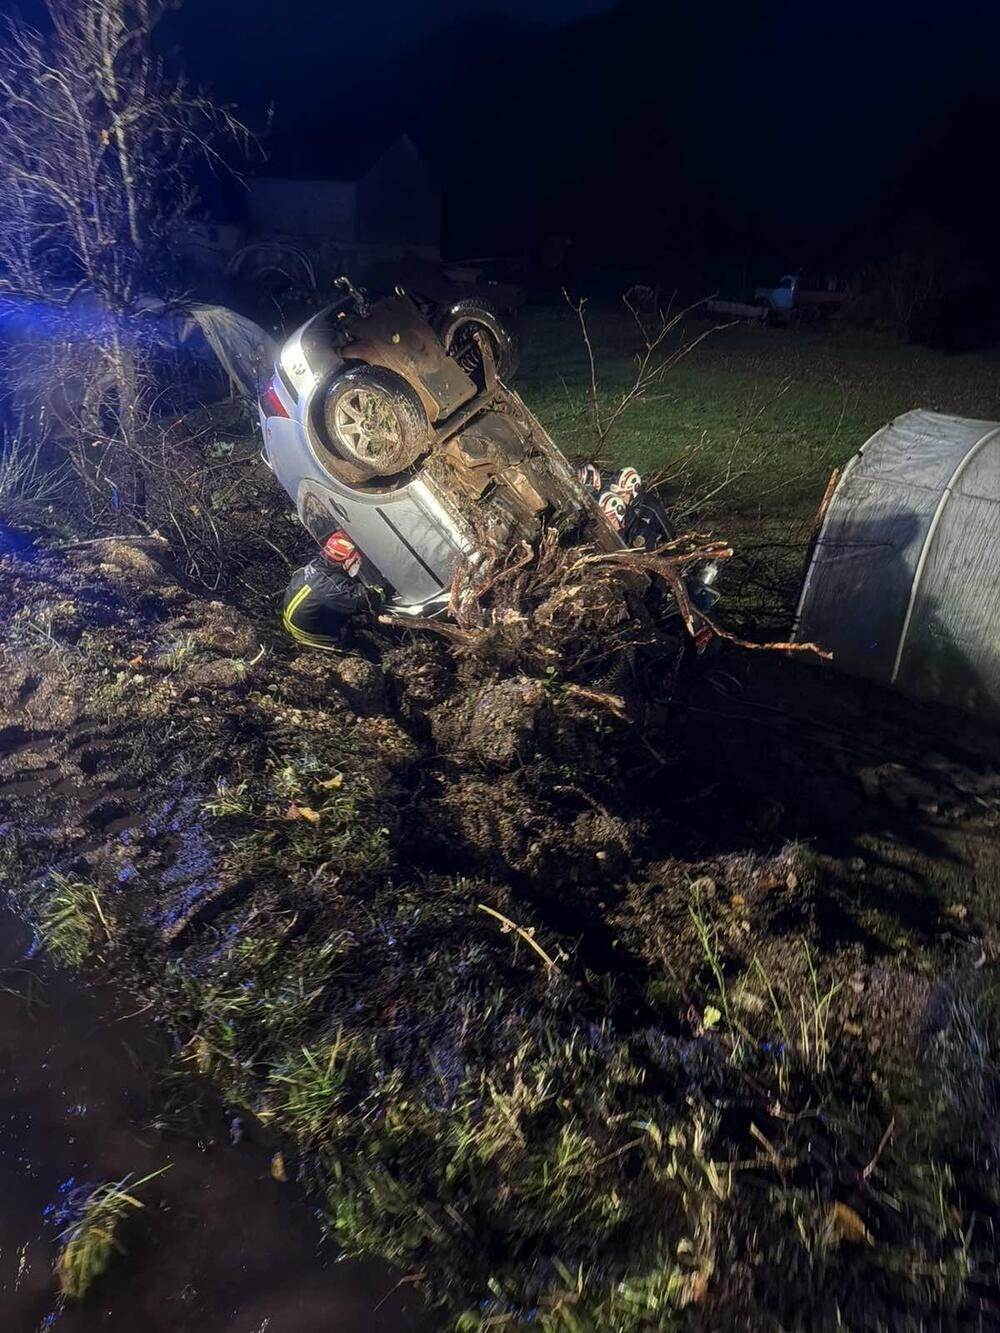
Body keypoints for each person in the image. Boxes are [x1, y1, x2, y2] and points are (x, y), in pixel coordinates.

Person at [282, 530, 384, 650]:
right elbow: (366, 601)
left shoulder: (316, 564)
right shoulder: (334, 587)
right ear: (348, 560)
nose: (358, 562)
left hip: (293, 620)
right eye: (357, 559)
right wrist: (384, 588)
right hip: (311, 635)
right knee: (360, 643)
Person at [577, 463, 676, 549]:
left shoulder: (651, 506)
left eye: (623, 494)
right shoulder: (622, 509)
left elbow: (668, 534)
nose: (619, 497)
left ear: (634, 491)